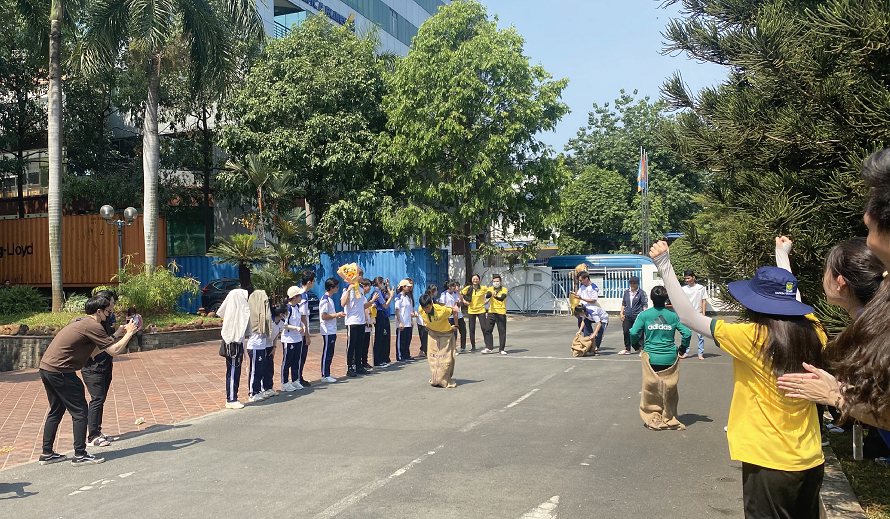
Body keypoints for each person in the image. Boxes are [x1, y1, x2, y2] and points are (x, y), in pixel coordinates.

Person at [649, 238, 826, 518]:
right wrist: (782, 256)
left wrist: (663, 264)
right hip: (811, 458)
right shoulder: (815, 332)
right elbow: (794, 301)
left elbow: (688, 317)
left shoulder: (751, 337)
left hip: (768, 460)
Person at [777, 150, 890, 431]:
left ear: (841, 282)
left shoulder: (875, 328)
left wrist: (835, 397)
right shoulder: (873, 318)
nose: (867, 217)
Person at [775, 238, 887, 443]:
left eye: (825, 271)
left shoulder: (878, 335)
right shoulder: (874, 322)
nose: (822, 278)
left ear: (840, 282)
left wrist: (834, 396)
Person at [39, 294, 138, 466]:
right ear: (99, 311)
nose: (110, 315)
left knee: (56, 410)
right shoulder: (94, 325)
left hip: (47, 368)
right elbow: (113, 351)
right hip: (62, 371)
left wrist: (116, 334)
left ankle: (47, 453)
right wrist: (129, 334)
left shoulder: (82, 322)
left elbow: (94, 352)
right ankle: (80, 455)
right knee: (80, 412)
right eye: (108, 311)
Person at [630, 286, 691, 430]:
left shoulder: (645, 315)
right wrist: (682, 349)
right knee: (669, 389)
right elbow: (687, 334)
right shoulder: (673, 316)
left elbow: (633, 332)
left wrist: (636, 346)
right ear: (666, 299)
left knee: (652, 389)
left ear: (651, 298)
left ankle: (654, 416)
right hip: (670, 358)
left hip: (651, 358)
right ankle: (668, 416)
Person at [81, 289, 124, 449]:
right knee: (97, 399)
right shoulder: (92, 324)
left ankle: (97, 431)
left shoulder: (105, 320)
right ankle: (92, 436)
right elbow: (98, 349)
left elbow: (108, 342)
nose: (112, 305)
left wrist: (117, 332)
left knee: (100, 399)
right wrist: (119, 335)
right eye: (111, 302)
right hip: (93, 367)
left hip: (105, 363)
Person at [418, 293, 460, 388]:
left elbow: (454, 311)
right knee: (432, 357)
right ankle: (436, 378)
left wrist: (456, 326)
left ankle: (443, 380)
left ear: (431, 304)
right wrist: (425, 323)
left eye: (427, 307)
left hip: (445, 334)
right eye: (424, 307)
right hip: (433, 334)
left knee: (445, 359)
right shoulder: (421, 309)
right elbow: (423, 316)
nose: (425, 310)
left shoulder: (441, 311)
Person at [219, 286, 251, 408]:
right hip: (233, 344)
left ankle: (233, 397)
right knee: (233, 371)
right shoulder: (233, 313)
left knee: (236, 371)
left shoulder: (236, 312)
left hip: (237, 344)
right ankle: (231, 399)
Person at [342, 275, 375, 377]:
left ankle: (359, 365)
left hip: (361, 321)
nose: (361, 277)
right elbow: (343, 303)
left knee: (359, 345)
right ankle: (350, 367)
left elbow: (362, 306)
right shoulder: (347, 288)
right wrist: (349, 290)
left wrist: (371, 302)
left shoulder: (360, 289)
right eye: (359, 275)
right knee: (351, 345)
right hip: (352, 321)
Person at [245, 298, 277, 403]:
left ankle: (259, 390)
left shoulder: (264, 316)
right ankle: (253, 393)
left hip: (262, 346)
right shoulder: (254, 314)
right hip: (255, 346)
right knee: (255, 370)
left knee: (260, 370)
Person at [676, 271, 707, 360]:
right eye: (685, 278)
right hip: (687, 314)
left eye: (688, 278)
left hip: (698, 314)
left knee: (700, 335)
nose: (687, 280)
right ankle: (686, 352)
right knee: (687, 334)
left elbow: (703, 301)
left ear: (693, 277)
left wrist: (703, 314)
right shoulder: (683, 289)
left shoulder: (701, 288)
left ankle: (700, 353)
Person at [280, 286, 306, 391]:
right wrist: (296, 328)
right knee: (287, 361)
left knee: (296, 360)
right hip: (288, 339)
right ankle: (285, 383)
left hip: (297, 338)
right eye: (299, 295)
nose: (301, 297)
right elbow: (284, 325)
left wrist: (302, 326)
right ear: (294, 297)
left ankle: (295, 380)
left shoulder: (297, 307)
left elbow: (299, 320)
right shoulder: (287, 308)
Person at [319, 278, 345, 382]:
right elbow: (324, 316)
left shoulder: (329, 299)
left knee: (330, 352)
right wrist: (336, 314)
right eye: (336, 287)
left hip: (332, 329)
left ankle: (327, 373)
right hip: (327, 330)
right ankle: (325, 375)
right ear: (331, 287)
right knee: (327, 352)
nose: (338, 288)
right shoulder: (325, 300)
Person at [297, 270, 316, 387]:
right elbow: (303, 316)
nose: (314, 283)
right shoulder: (303, 296)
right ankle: (298, 378)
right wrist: (307, 335)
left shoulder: (300, 293)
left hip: (299, 330)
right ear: (309, 282)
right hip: (301, 332)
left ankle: (298, 377)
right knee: (301, 356)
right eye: (313, 281)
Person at [619, 276, 647, 355]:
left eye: (634, 283)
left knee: (639, 333)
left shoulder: (641, 293)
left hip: (638, 316)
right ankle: (627, 349)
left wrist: (645, 314)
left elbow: (644, 304)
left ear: (638, 283)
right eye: (631, 283)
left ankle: (641, 349)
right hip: (628, 315)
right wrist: (621, 313)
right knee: (626, 331)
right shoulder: (626, 292)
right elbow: (624, 303)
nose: (632, 284)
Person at [482, 274, 509, 355]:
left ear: (500, 282)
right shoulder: (490, 288)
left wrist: (495, 296)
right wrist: (490, 294)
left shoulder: (504, 289)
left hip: (501, 312)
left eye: (497, 281)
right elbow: (488, 295)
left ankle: (501, 349)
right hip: (491, 312)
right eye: (494, 281)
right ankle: (489, 347)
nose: (495, 283)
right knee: (487, 329)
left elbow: (502, 298)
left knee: (502, 331)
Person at [461, 274, 488, 351]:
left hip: (481, 310)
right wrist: (464, 301)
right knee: (472, 329)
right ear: (471, 280)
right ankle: (473, 346)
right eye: (474, 279)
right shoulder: (468, 288)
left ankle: (487, 345)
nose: (475, 280)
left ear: (479, 280)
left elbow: (491, 293)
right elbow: (460, 294)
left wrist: (487, 301)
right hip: (471, 310)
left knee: (484, 328)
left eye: (477, 279)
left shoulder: (483, 288)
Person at [372, 277, 394, 368]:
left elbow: (387, 297)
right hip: (379, 314)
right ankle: (377, 360)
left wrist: (388, 287)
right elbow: (385, 305)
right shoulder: (376, 292)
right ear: (379, 283)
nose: (383, 285)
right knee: (379, 337)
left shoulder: (380, 292)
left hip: (383, 315)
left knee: (385, 337)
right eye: (382, 283)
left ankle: (384, 358)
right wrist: (391, 296)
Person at [442, 280, 468, 353]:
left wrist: (458, 292)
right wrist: (453, 308)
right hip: (450, 316)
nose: (455, 288)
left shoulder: (456, 294)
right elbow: (442, 304)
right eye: (454, 286)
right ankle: (453, 348)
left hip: (458, 315)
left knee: (463, 331)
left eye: (457, 286)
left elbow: (461, 300)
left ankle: (463, 348)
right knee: (453, 333)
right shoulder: (444, 294)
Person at [394, 279, 415, 362]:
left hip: (408, 322)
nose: (409, 288)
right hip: (402, 322)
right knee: (401, 340)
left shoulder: (407, 297)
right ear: (403, 287)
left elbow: (409, 310)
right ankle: (400, 356)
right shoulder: (399, 297)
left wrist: (411, 320)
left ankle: (406, 355)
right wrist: (400, 322)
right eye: (407, 287)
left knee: (407, 340)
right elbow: (397, 310)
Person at [417, 284, 438, 358]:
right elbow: (423, 311)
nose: (437, 292)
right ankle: (426, 352)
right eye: (435, 290)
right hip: (423, 320)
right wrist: (424, 322)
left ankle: (422, 351)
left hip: (428, 321)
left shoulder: (432, 300)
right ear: (432, 292)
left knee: (427, 337)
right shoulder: (426, 299)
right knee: (424, 337)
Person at [360, 279, 375, 372]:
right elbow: (363, 308)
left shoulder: (365, 297)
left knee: (366, 345)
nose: (370, 288)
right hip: (364, 323)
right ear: (364, 287)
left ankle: (364, 361)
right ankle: (360, 363)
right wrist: (366, 321)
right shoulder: (362, 297)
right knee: (362, 345)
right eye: (368, 286)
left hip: (368, 323)